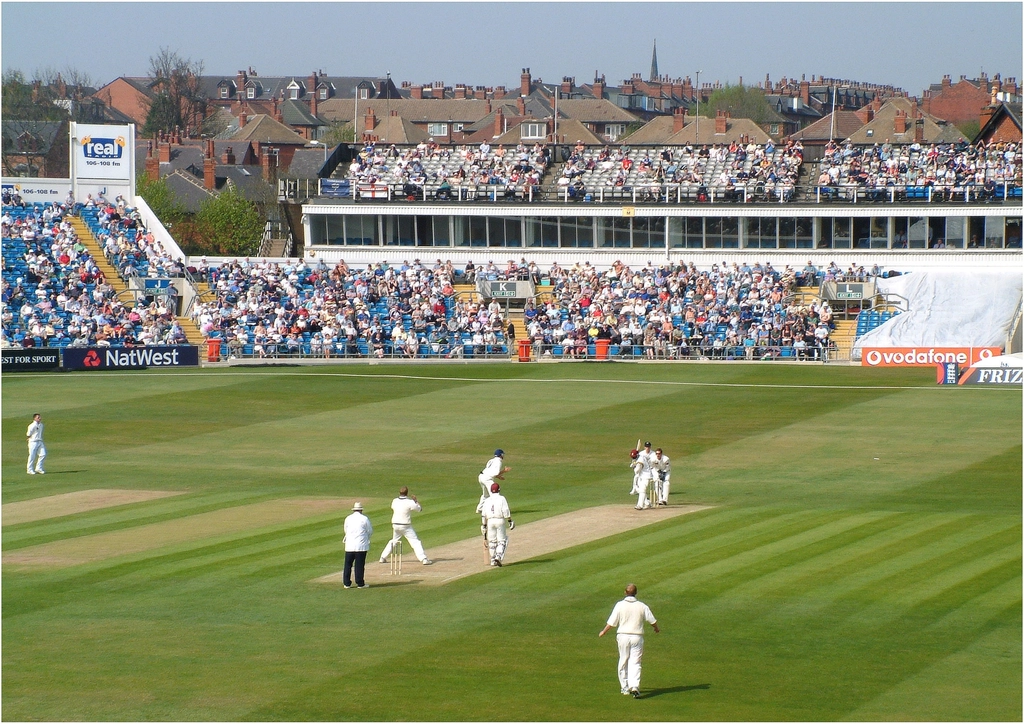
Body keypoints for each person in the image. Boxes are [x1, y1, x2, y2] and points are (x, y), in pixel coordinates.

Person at [599, 583, 660, 698]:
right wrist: (656, 628)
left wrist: (604, 631)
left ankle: (625, 688)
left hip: (623, 636)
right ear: (636, 593)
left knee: (623, 660)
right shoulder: (642, 606)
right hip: (637, 637)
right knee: (635, 662)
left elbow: (612, 622)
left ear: (625, 592)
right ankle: (634, 686)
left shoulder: (620, 605)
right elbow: (652, 620)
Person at [379, 487, 432, 565]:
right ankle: (424, 559)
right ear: (407, 493)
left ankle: (382, 557)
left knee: (394, 540)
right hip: (405, 526)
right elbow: (419, 509)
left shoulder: (395, 501)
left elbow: (394, 507)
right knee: (415, 542)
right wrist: (415, 501)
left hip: (395, 525)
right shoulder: (410, 502)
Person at [481, 482, 514, 567]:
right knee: (502, 541)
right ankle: (498, 556)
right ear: (499, 490)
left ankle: (492, 560)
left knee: (492, 541)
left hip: (490, 522)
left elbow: (483, 514)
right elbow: (506, 511)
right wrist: (510, 521)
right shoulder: (501, 498)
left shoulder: (487, 500)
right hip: (499, 520)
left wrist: (483, 525)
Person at [343, 502, 373, 588]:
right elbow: (370, 531)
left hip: (350, 545)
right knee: (359, 565)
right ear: (361, 510)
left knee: (348, 564)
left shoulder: (348, 518)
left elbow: (346, 530)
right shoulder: (364, 518)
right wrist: (366, 537)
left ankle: (346, 583)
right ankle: (360, 583)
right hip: (361, 545)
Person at [635, 442, 655, 510]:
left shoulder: (640, 459)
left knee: (642, 489)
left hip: (646, 476)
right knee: (640, 490)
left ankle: (639, 505)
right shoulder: (640, 456)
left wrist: (634, 467)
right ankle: (647, 503)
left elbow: (637, 470)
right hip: (642, 476)